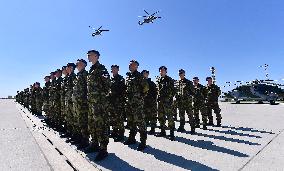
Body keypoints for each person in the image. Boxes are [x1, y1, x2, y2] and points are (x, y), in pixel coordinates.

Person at [86, 50, 110, 161]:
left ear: (96, 56)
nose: (88, 56)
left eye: (89, 55)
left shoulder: (102, 69)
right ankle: (94, 144)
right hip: (92, 103)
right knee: (92, 124)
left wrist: (101, 100)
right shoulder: (91, 70)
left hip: (99, 104)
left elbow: (107, 86)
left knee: (101, 125)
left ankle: (103, 149)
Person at [124, 60, 149, 151]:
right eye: (129, 64)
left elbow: (146, 88)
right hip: (129, 103)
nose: (130, 66)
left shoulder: (139, 76)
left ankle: (143, 142)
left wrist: (140, 97)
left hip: (137, 104)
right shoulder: (128, 76)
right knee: (131, 122)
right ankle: (132, 138)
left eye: (132, 65)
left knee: (140, 122)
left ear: (136, 66)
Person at [73, 59, 89, 149]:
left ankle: (85, 140)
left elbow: (88, 89)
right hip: (77, 102)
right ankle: (80, 138)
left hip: (83, 103)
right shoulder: (78, 75)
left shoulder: (85, 74)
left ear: (83, 65)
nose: (76, 65)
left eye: (78, 64)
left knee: (83, 122)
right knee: (79, 121)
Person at [156, 66, 176, 141]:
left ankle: (172, 134)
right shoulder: (158, 80)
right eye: (160, 71)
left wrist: (169, 98)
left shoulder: (169, 80)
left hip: (167, 102)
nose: (161, 72)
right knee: (161, 117)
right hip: (160, 101)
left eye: (163, 70)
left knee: (170, 117)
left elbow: (174, 91)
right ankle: (162, 131)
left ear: (166, 71)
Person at [109, 64, 126, 142]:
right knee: (113, 118)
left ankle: (121, 134)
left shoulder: (121, 79)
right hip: (111, 102)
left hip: (118, 102)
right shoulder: (110, 79)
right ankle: (115, 132)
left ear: (118, 70)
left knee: (119, 119)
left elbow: (123, 91)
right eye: (112, 69)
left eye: (115, 69)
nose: (113, 70)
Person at [175, 69, 195, 133]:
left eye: (181, 73)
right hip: (180, 102)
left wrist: (188, 96)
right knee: (181, 115)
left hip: (187, 102)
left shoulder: (189, 82)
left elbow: (193, 92)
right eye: (179, 73)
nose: (180, 74)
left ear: (184, 74)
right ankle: (181, 127)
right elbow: (176, 91)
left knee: (190, 115)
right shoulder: (177, 83)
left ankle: (192, 128)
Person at [141, 70, 157, 135]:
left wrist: (152, 100)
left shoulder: (151, 83)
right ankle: (145, 128)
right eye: (143, 73)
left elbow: (155, 93)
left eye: (146, 73)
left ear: (148, 74)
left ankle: (152, 129)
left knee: (152, 116)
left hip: (151, 102)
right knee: (144, 116)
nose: (145, 75)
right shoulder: (140, 82)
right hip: (143, 102)